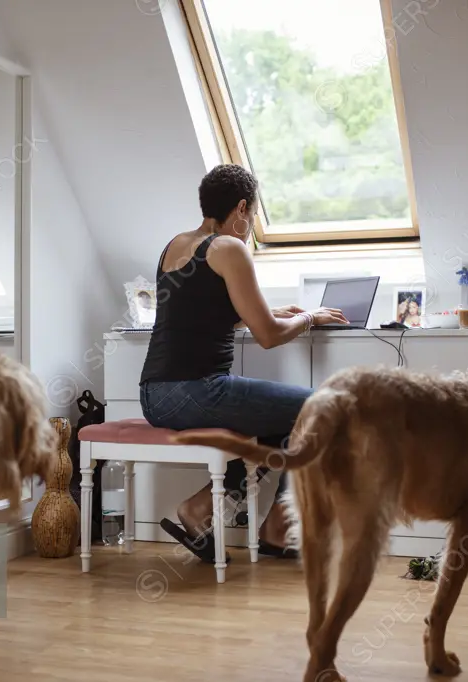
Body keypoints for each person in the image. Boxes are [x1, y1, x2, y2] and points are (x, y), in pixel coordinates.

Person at [138, 164, 348, 563]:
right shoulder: (229, 248)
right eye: (252, 215)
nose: (251, 225)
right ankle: (277, 528)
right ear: (240, 208)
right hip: (198, 389)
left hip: (154, 395)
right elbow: (268, 336)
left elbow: (202, 311)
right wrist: (309, 317)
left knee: (288, 426)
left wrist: (265, 310)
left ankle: (203, 509)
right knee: (322, 408)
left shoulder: (176, 245)